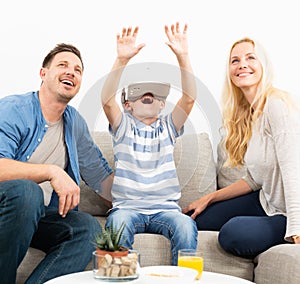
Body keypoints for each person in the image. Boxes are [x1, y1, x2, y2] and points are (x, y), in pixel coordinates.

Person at [0, 43, 114, 284]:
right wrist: (51, 172)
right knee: (26, 191)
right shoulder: (13, 109)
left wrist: (148, 200)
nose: (71, 72)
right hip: (7, 209)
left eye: (78, 70)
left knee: (88, 228)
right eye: (63, 65)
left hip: (40, 215)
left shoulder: (74, 124)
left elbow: (102, 180)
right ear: (43, 73)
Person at [183, 37, 300, 258]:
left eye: (250, 58)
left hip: (292, 211)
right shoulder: (251, 114)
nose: (242, 64)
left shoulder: (278, 105)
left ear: (264, 65)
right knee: (199, 219)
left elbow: (294, 172)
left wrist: (296, 231)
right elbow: (255, 179)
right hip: (267, 202)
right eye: (235, 60)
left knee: (233, 234)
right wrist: (209, 198)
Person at [101, 22, 198, 265]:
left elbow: (189, 99)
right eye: (141, 93)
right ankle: (119, 279)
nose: (149, 95)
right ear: (128, 105)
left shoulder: (168, 127)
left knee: (186, 226)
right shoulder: (123, 127)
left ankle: (183, 281)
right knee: (118, 225)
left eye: (155, 94)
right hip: (127, 208)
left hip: (166, 210)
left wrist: (183, 56)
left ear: (163, 105)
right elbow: (106, 99)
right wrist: (121, 60)